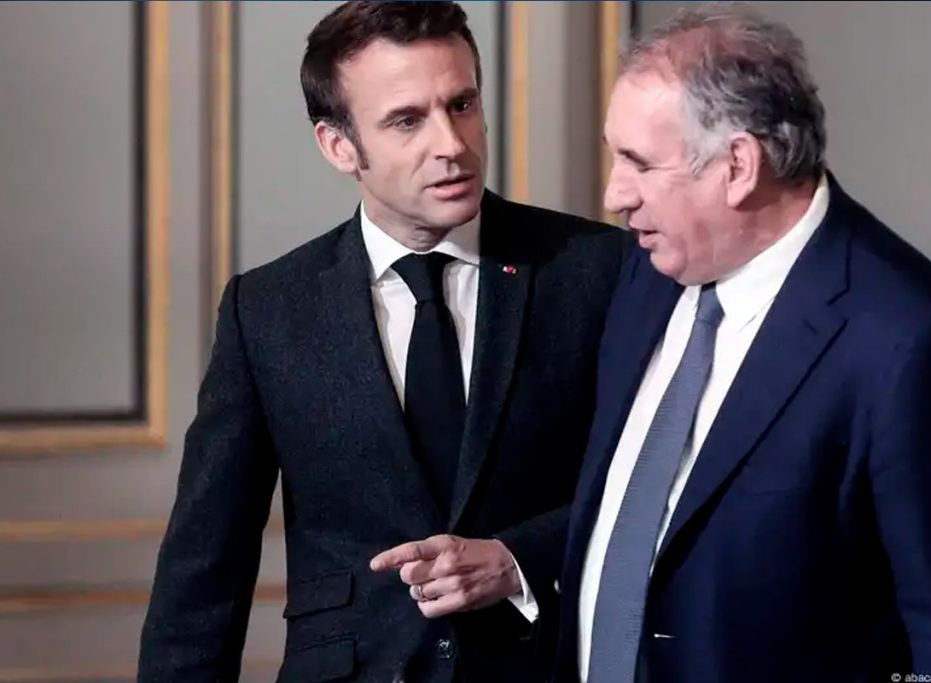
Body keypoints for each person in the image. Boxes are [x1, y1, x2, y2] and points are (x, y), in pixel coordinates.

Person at [138, 3, 630, 682]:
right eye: (407, 121)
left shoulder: (596, 269)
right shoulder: (269, 310)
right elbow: (203, 566)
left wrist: (518, 557)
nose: (451, 143)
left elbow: (656, 485)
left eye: (461, 104)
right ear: (339, 146)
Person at [555, 4, 931, 682]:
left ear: (738, 166)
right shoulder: (647, 272)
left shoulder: (901, 339)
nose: (613, 196)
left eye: (638, 162)